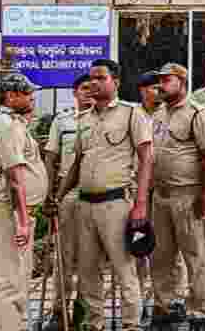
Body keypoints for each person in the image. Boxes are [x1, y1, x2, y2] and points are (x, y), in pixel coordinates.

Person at [50, 58, 155, 331]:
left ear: (115, 82)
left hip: (116, 204)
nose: (94, 83)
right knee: (88, 271)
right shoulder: (83, 119)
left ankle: (131, 324)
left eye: (101, 78)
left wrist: (141, 204)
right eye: (91, 78)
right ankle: (93, 323)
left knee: (124, 269)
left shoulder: (131, 114)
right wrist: (57, 197)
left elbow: (147, 159)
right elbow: (76, 164)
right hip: (85, 204)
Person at [147, 63, 205, 331]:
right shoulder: (158, 113)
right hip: (160, 195)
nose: (161, 85)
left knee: (195, 255)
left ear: (182, 81)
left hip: (187, 194)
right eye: (160, 80)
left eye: (167, 80)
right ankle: (165, 306)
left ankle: (199, 311)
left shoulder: (196, 113)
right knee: (161, 255)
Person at [0, 73, 48, 331]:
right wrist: (22, 221)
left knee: (3, 277)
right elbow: (14, 179)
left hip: (8, 210)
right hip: (10, 211)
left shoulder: (10, 123)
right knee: (13, 282)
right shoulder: (9, 126)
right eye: (27, 93)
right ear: (11, 96)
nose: (32, 97)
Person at [42, 74, 94, 331]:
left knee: (90, 257)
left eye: (93, 88)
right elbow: (51, 158)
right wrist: (49, 193)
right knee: (64, 255)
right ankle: (59, 309)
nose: (89, 92)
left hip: (96, 192)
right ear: (75, 93)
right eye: (84, 88)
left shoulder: (103, 119)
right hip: (68, 193)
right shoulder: (62, 120)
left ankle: (85, 309)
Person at [138, 70, 189, 324]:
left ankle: (176, 299)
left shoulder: (174, 113)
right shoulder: (135, 115)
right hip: (141, 190)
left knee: (173, 248)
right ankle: (144, 299)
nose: (157, 89)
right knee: (143, 248)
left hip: (170, 189)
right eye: (151, 86)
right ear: (142, 90)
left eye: (160, 84)